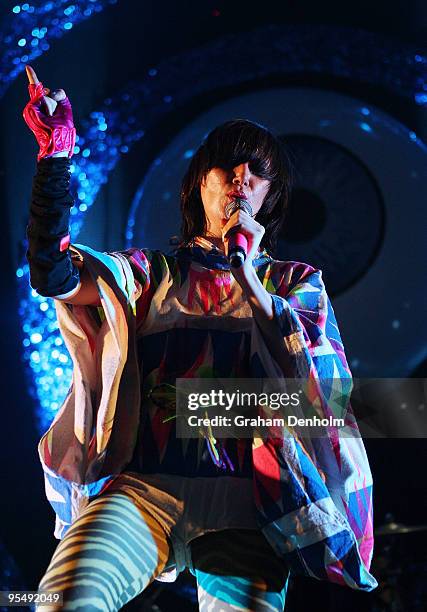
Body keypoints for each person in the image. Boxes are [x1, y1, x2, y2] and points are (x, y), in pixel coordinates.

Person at [22, 65, 377, 611]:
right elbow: (53, 274)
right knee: (62, 600)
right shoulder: (149, 275)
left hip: (249, 511)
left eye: (257, 172)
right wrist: (56, 159)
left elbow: (320, 393)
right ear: (199, 184)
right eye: (227, 164)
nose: (241, 176)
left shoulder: (294, 284)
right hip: (143, 492)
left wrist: (249, 279)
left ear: (269, 197)